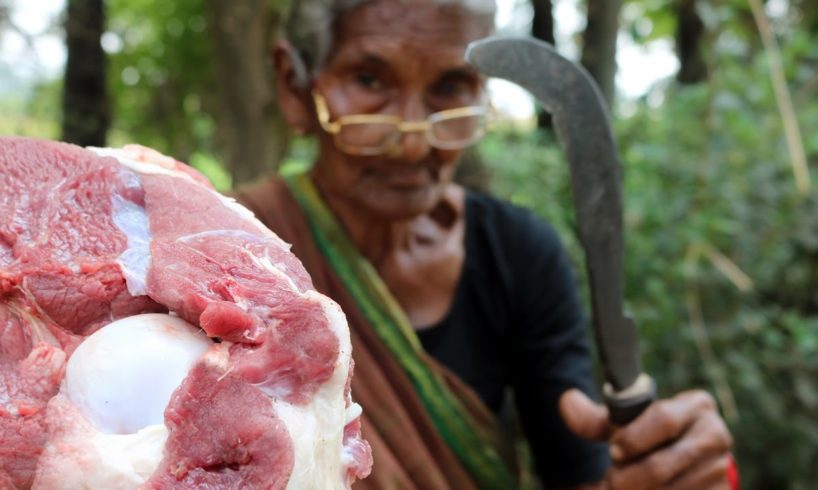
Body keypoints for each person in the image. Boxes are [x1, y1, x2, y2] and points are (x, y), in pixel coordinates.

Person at [234, 0, 735, 488]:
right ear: (295, 86)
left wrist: (661, 469)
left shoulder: (518, 254)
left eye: (450, 88)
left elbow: (579, 471)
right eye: (370, 81)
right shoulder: (231, 249)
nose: (413, 144)